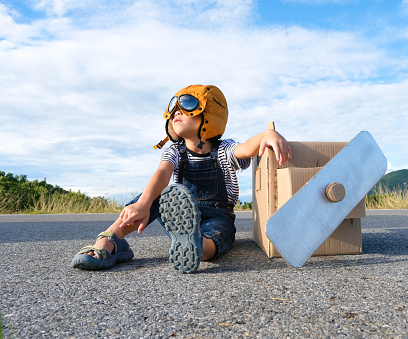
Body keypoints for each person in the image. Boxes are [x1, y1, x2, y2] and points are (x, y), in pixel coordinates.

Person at [71, 84, 292, 273]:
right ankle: (110, 239)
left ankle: (195, 244)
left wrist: (267, 134)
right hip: (180, 209)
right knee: (155, 195)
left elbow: (245, 149)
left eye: (186, 106)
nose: (177, 112)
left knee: (217, 236)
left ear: (209, 115)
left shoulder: (224, 150)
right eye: (173, 108)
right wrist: (142, 204)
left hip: (217, 215)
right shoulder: (174, 151)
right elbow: (163, 173)